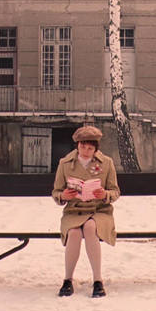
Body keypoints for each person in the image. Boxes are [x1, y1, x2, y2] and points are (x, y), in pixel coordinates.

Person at [51, 125, 120, 298]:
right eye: (82, 147)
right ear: (77, 145)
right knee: (74, 232)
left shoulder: (107, 163)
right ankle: (67, 280)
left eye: (90, 148)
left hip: (99, 211)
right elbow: (56, 192)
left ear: (96, 149)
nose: (86, 151)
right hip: (74, 211)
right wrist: (64, 195)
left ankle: (98, 280)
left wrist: (105, 194)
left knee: (90, 228)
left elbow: (115, 191)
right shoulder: (65, 163)